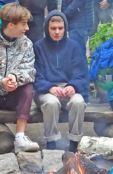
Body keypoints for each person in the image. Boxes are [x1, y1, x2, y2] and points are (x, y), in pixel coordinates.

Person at [0, 3, 39, 157]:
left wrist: (15, 79)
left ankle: (20, 139)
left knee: (28, 87)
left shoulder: (26, 43)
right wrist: (1, 81)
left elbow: (30, 70)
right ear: (11, 25)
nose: (27, 28)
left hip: (13, 95)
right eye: (24, 24)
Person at [33, 11, 89, 152]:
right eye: (53, 28)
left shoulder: (74, 46)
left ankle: (74, 143)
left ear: (65, 28)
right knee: (51, 103)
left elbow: (82, 74)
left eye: (60, 28)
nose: (57, 32)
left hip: (68, 88)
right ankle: (51, 143)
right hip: (46, 90)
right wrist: (49, 87)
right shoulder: (38, 47)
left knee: (78, 102)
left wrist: (73, 86)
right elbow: (34, 75)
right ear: (47, 28)